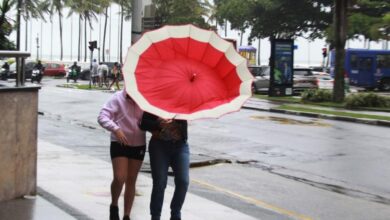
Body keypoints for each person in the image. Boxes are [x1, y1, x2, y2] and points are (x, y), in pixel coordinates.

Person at [98, 90, 146, 220]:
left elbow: (152, 120)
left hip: (138, 144)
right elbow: (102, 116)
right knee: (120, 177)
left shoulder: (144, 99)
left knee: (131, 180)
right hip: (119, 142)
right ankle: (114, 205)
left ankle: (126, 215)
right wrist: (116, 129)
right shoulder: (117, 98)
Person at [139, 112, 190, 220]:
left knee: (183, 181)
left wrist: (176, 119)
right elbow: (143, 123)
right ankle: (155, 216)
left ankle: (176, 213)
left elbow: (186, 119)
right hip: (159, 145)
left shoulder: (182, 102)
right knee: (160, 183)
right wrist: (159, 123)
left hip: (180, 145)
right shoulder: (155, 102)